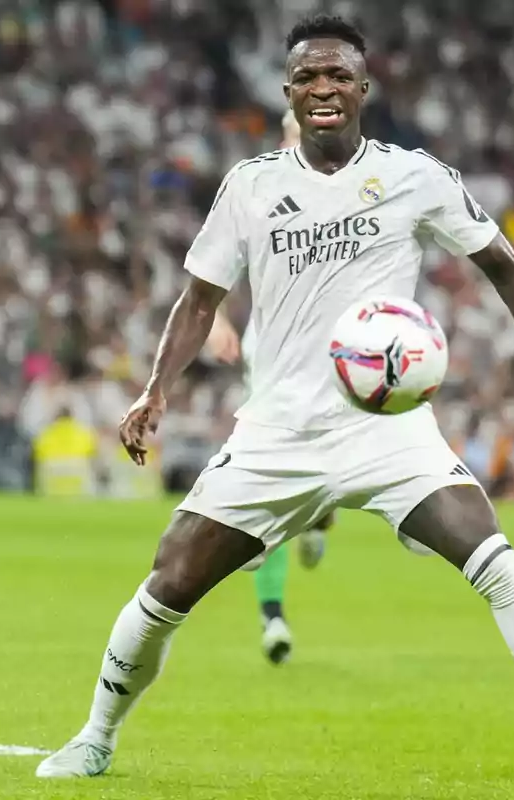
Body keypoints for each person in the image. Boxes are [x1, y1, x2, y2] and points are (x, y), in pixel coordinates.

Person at [36, 15, 514, 793]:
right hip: (279, 432)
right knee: (169, 582)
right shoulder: (252, 186)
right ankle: (95, 738)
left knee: (494, 556)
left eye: (338, 75)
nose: (323, 88)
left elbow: (505, 269)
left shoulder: (416, 177)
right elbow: (199, 300)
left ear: (364, 89)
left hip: (387, 431)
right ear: (289, 92)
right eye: (308, 76)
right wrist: (156, 388)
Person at [204, 108, 332, 665]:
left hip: (338, 354)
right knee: (275, 471)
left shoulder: (360, 190)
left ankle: (321, 515)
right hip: (272, 353)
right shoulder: (257, 187)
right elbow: (213, 268)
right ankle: (273, 618)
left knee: (330, 467)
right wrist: (218, 321)